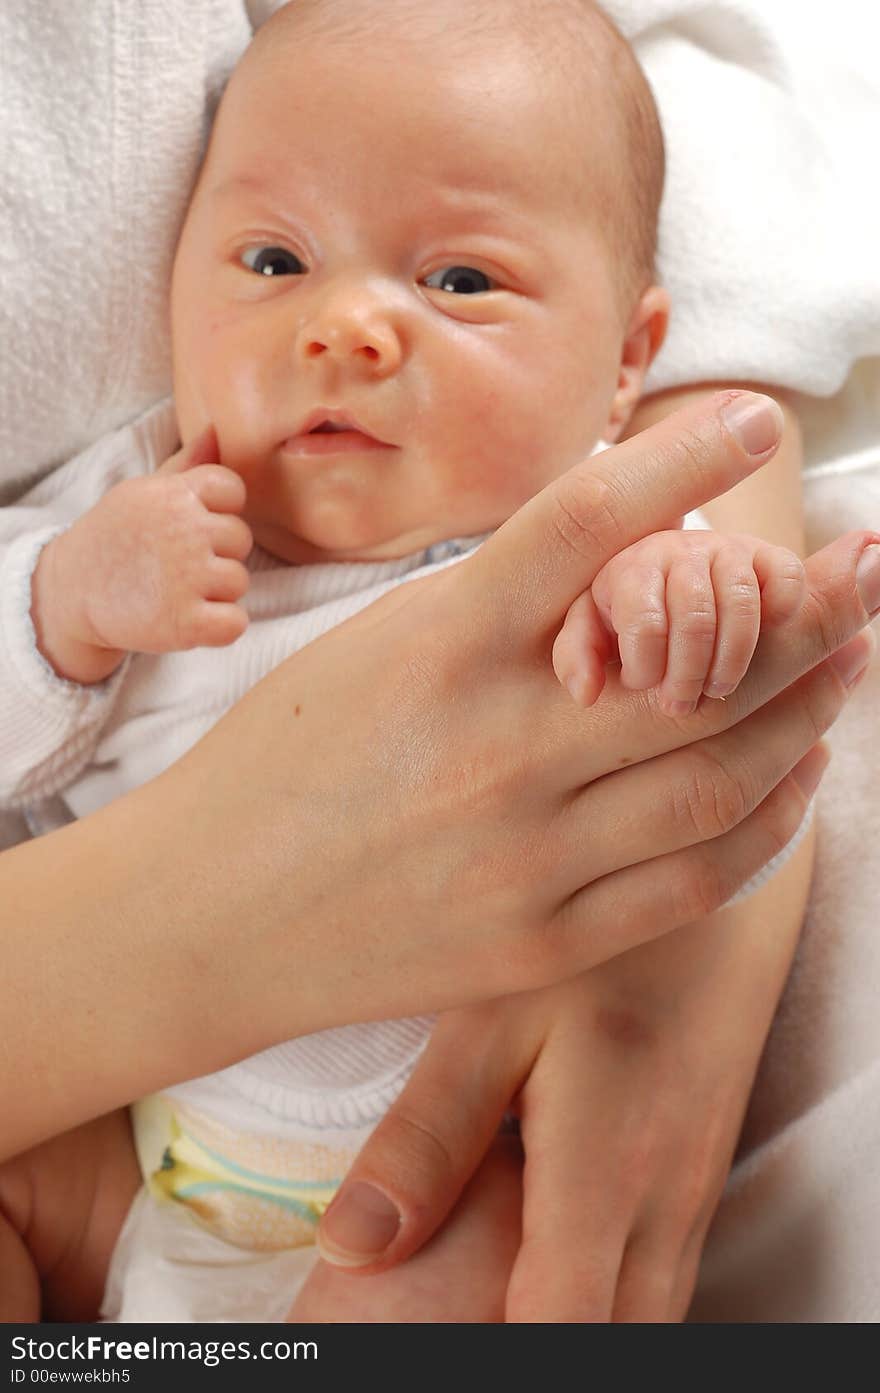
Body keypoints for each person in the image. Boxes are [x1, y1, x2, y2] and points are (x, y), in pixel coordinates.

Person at [0, 0, 877, 1325]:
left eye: (459, 281)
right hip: (125, 1143)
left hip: (427, 1187)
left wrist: (689, 590)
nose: (346, 327)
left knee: (486, 1274)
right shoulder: (136, 506)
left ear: (631, 364)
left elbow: (715, 661)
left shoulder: (587, 527)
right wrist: (65, 602)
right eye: (273, 260)